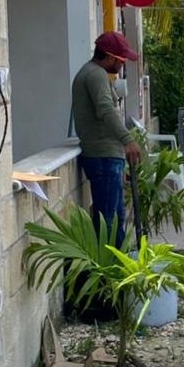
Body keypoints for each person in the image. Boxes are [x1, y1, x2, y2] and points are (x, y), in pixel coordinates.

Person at [72, 30, 142, 246]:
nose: (122, 65)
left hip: (107, 156)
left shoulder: (93, 73)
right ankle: (115, 272)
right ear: (110, 57)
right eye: (121, 60)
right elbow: (105, 109)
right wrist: (127, 139)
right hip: (103, 157)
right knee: (109, 221)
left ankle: (119, 269)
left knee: (115, 217)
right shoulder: (96, 75)